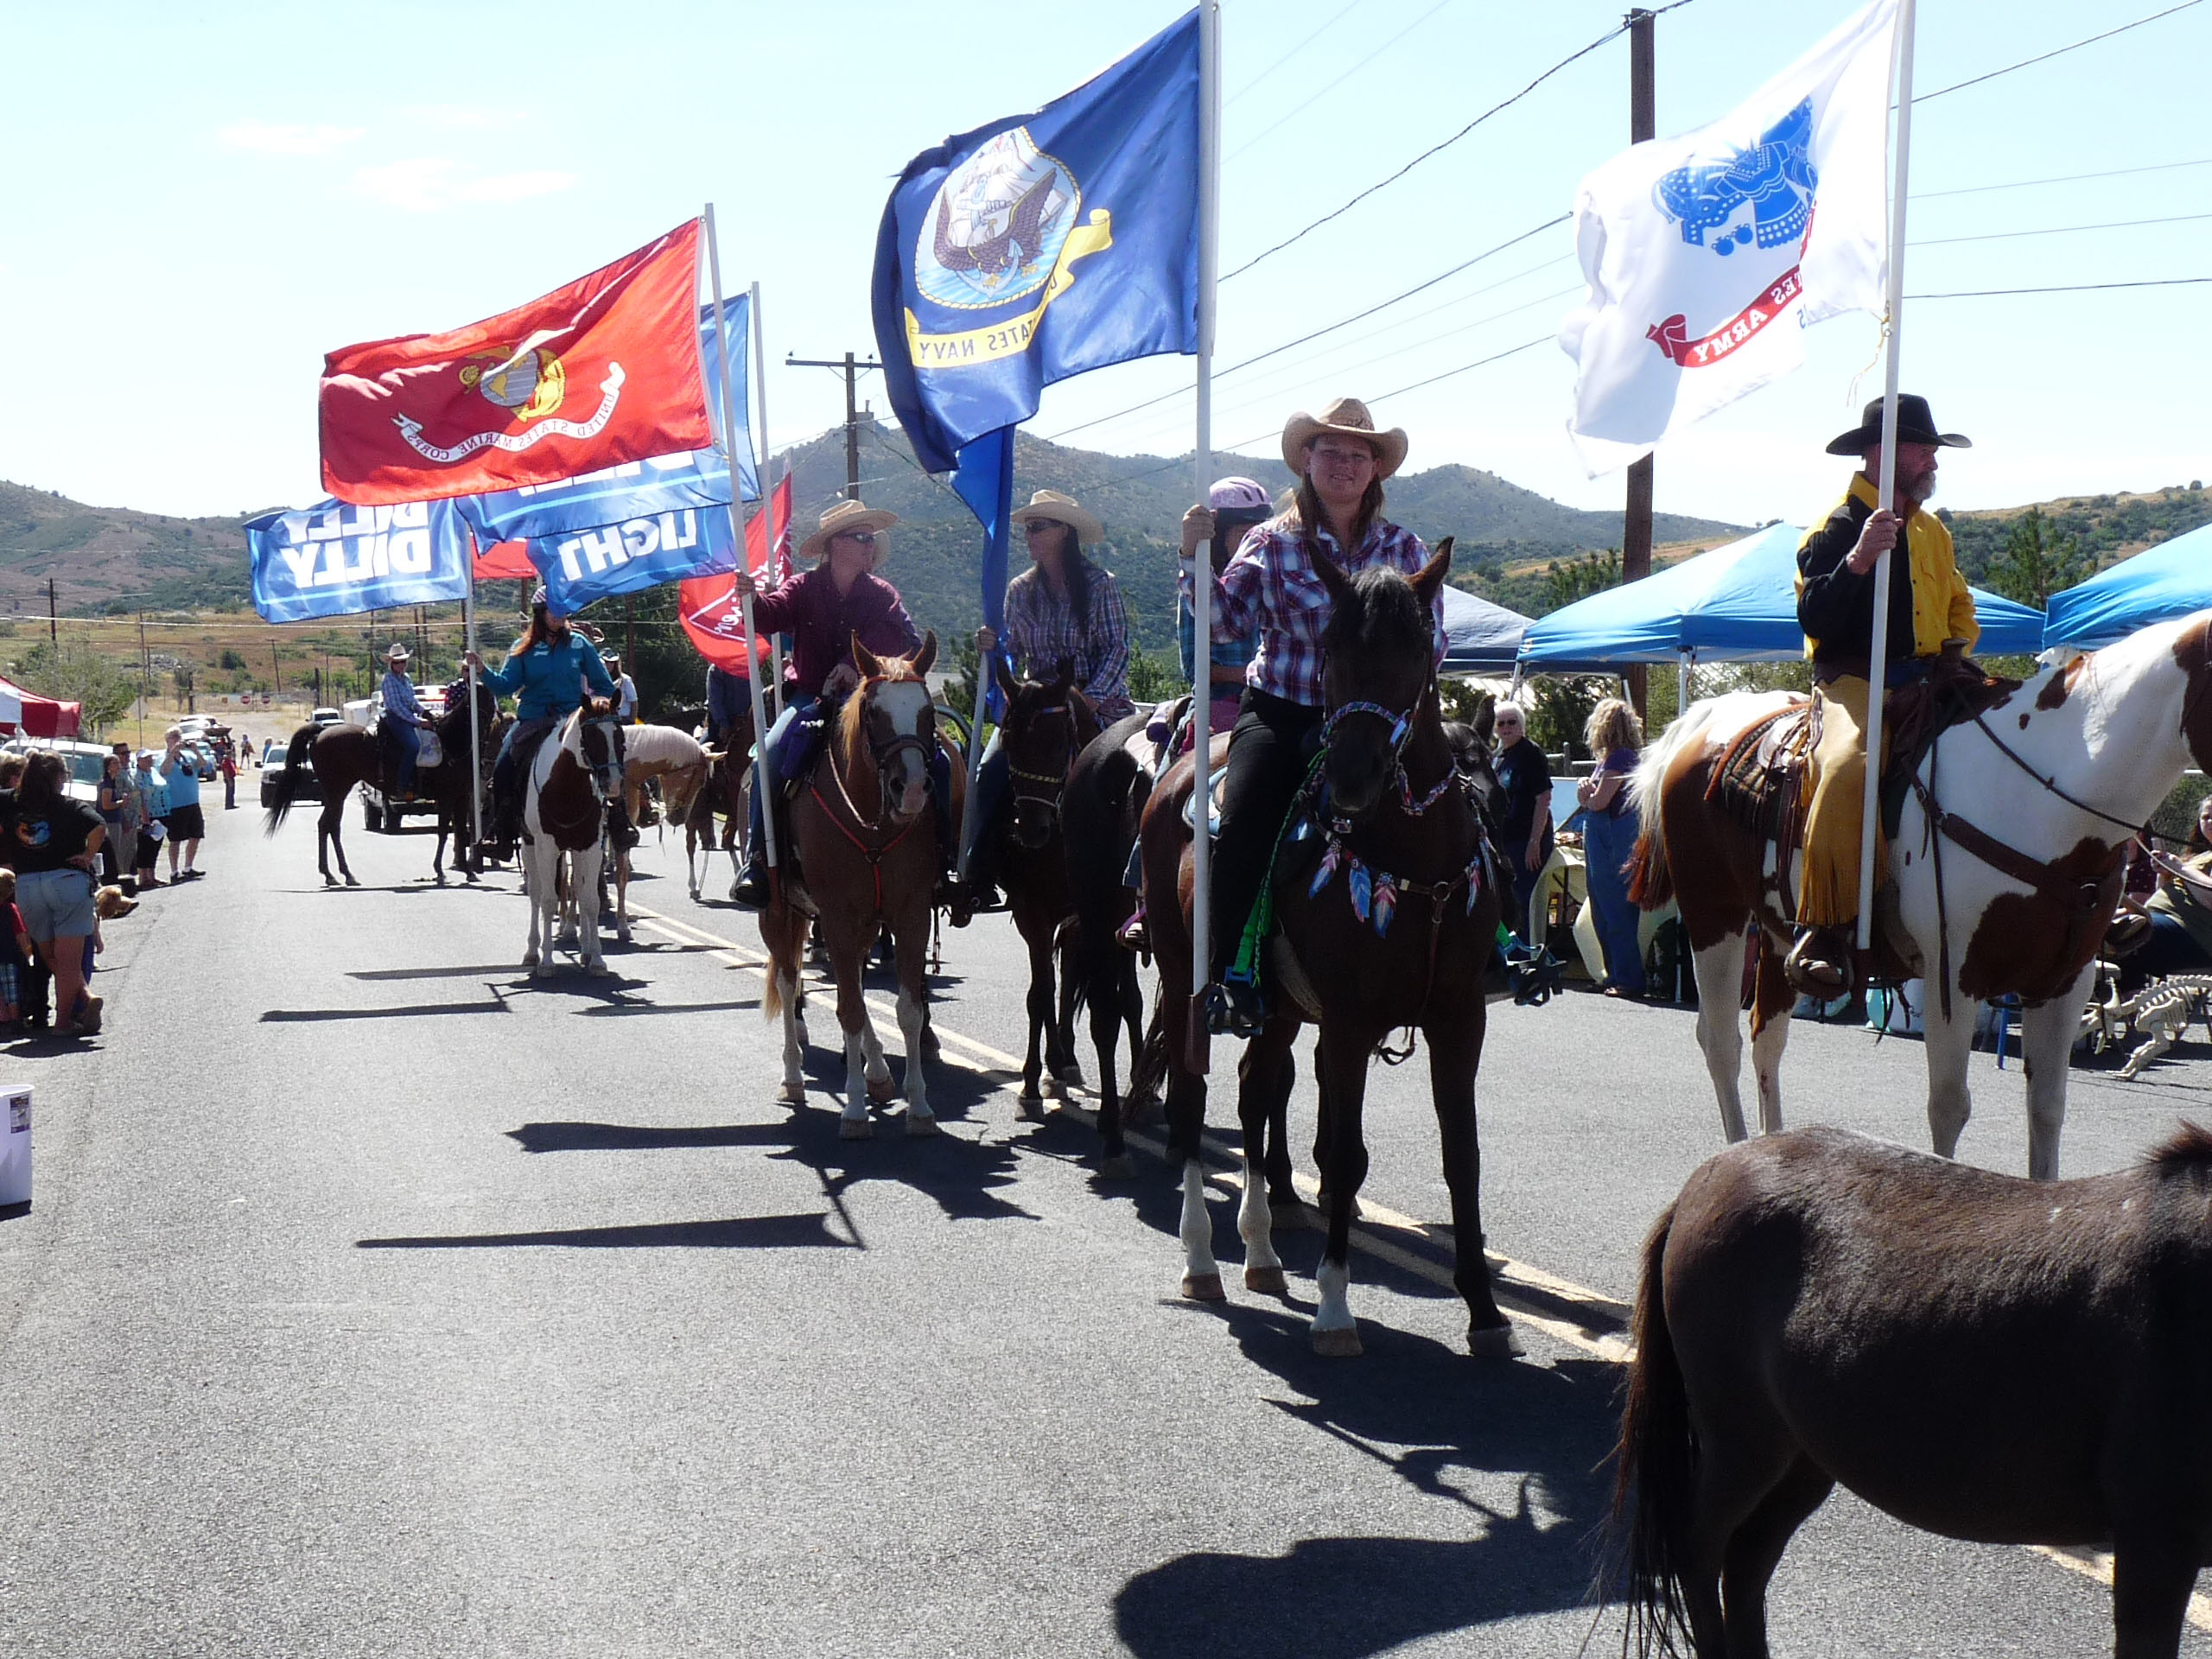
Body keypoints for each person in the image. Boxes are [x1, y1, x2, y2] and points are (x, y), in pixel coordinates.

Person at [1192, 397, 1440, 1033]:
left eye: (1359, 455)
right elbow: (1224, 624)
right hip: (1284, 710)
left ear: (1376, 470)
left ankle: (1491, 944)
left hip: (1376, 719)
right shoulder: (1269, 542)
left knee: (1460, 792)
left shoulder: (1404, 547)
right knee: (1247, 818)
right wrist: (1195, 565)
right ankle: (1230, 972)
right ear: (1307, 460)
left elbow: (1433, 638)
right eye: (1331, 451)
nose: (1345, 464)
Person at [1789, 394, 1978, 995]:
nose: (1931, 460)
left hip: (1930, 674)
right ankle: (1822, 927)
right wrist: (1860, 560)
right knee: (1849, 769)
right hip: (1854, 680)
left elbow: (1957, 602)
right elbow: (1813, 615)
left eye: (1930, 450)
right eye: (1921, 448)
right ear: (1880, 454)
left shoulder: (1932, 530)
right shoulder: (1838, 527)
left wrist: (1955, 650)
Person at [728, 499, 935, 906]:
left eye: (871, 539)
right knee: (767, 757)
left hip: (872, 699)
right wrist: (750, 599)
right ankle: (757, 861)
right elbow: (770, 616)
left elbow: (899, 638)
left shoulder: (882, 596)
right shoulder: (803, 588)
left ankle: (941, 861)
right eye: (861, 537)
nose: (869, 545)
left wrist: (850, 666)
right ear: (835, 545)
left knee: (936, 757)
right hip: (809, 697)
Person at [967, 490, 1135, 916]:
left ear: (1064, 532)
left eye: (1038, 527)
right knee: (990, 771)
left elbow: (1117, 649)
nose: (1029, 535)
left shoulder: (1101, 586)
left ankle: (1138, 878)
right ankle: (976, 871)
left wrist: (1091, 701)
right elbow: (1014, 655)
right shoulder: (1019, 590)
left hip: (1096, 701)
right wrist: (992, 648)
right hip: (1035, 705)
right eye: (1028, 528)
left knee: (1132, 774)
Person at [466, 586, 620, 847]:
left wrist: (599, 707)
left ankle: (620, 822)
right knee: (503, 770)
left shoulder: (580, 644)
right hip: (533, 719)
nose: (559, 616)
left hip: (573, 720)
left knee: (613, 757)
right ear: (540, 613)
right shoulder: (523, 648)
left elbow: (604, 686)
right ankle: (502, 833)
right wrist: (482, 669)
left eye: (563, 610)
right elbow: (506, 685)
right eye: (553, 610)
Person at [10, 752, 105, 1035]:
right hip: (67, 881)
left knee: (48, 953)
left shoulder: (10, 801)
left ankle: (86, 997)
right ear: (58, 778)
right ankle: (63, 1023)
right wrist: (88, 855)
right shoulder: (68, 805)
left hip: (28, 886)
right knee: (69, 958)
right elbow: (99, 826)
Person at [1178, 478, 1272, 738]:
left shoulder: (1273, 581)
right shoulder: (1197, 590)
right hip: (1220, 702)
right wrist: (1252, 673)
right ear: (1218, 536)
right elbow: (1195, 668)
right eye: (1245, 535)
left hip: (1271, 701)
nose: (1256, 544)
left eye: (1261, 534)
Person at [1575, 697, 1647, 999]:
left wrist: (1585, 795)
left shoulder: (1621, 759)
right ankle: (1614, 973)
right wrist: (1587, 794)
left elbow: (1597, 802)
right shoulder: (1611, 760)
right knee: (1602, 908)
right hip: (1602, 833)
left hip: (1611, 834)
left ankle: (1628, 978)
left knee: (1615, 906)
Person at [1491, 701, 1554, 944]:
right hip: (1505, 843)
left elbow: (1544, 799)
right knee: (1505, 900)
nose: (1506, 727)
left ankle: (1526, 956)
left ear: (1522, 725)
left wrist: (1534, 842)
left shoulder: (1531, 754)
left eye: (1512, 722)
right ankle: (1508, 955)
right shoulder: (1499, 757)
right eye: (1501, 723)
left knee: (1524, 902)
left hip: (1526, 842)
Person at [378, 643, 434, 799]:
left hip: (407, 717)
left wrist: (425, 712)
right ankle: (401, 785)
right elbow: (396, 706)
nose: (401, 665)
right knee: (413, 746)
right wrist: (418, 721)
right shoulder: (389, 680)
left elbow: (412, 701)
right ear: (391, 664)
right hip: (396, 719)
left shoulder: (406, 679)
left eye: (403, 661)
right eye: (397, 662)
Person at [159, 725, 207, 880]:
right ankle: (174, 871)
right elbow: (164, 771)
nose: (177, 740)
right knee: (175, 840)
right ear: (167, 741)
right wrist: (172, 753)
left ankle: (188, 867)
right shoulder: (163, 757)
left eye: (179, 737)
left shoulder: (188, 756)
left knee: (196, 835)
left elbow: (203, 764)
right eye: (173, 738)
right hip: (175, 805)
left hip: (192, 803)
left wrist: (195, 750)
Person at [130, 752, 167, 888]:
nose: (149, 761)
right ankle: (143, 877)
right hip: (145, 815)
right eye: (146, 759)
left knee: (155, 846)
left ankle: (152, 876)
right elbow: (137, 796)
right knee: (144, 846)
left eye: (150, 758)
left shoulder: (154, 772)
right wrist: (143, 813)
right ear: (139, 760)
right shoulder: (136, 775)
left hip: (160, 812)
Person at [0, 869, 29, 1033]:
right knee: (11, 989)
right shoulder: (10, 909)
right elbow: (20, 933)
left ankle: (3, 1019)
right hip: (9, 956)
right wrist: (27, 952)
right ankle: (15, 1020)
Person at [96, 753, 129, 884]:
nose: (118, 765)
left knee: (118, 849)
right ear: (108, 767)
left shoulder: (115, 782)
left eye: (118, 763)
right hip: (109, 821)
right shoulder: (107, 784)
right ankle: (112, 879)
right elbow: (106, 805)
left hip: (116, 820)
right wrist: (122, 802)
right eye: (115, 763)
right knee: (113, 850)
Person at [704, 660, 753, 748]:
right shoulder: (748, 667)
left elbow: (714, 701)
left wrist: (723, 725)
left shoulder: (716, 669)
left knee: (700, 751)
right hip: (744, 721)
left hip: (729, 722)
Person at [603, 654, 639, 723]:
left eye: (612, 662)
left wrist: (631, 720)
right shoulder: (597, 680)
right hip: (604, 720)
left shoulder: (626, 680)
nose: (609, 665)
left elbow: (634, 702)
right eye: (606, 662)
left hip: (622, 719)